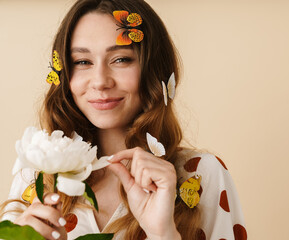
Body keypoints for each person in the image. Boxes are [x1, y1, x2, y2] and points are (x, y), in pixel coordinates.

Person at [0, 0, 247, 239]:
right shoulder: (35, 179)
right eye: (82, 62)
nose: (100, 81)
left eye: (121, 59)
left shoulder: (202, 175)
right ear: (65, 76)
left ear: (153, 69)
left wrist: (163, 235)